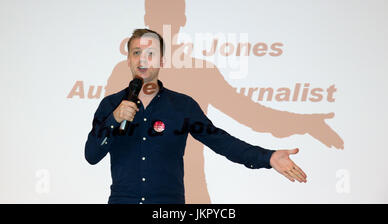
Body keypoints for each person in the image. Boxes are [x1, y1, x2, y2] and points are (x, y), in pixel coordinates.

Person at [85, 28, 307, 204]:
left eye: (150, 53)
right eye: (136, 53)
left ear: (161, 61)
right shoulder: (111, 105)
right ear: (129, 60)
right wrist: (114, 120)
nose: (142, 59)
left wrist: (267, 157)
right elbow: (91, 155)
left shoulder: (182, 106)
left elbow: (221, 141)